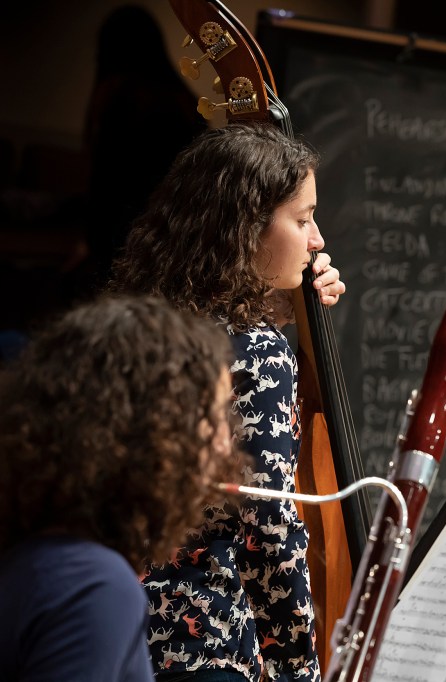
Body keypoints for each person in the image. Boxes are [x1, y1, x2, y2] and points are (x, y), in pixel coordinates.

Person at [110, 123, 345, 681]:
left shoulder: (136, 321)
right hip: (205, 642)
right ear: (246, 229)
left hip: (120, 625)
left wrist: (285, 310)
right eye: (303, 218)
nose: (317, 241)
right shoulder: (258, 353)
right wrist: (299, 668)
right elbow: (268, 526)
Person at [0, 294, 240, 681]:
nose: (225, 444)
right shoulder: (94, 585)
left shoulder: (41, 560)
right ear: (149, 429)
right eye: (212, 416)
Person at [79, 4, 206, 296]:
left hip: (127, 235)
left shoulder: (123, 99)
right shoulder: (184, 101)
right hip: (176, 236)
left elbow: (107, 183)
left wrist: (89, 240)